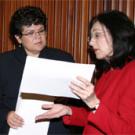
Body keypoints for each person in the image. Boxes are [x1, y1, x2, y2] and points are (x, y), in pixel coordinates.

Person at [35, 10, 135, 134]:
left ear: (117, 35)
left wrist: (94, 103)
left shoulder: (132, 72)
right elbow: (95, 116)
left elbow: (128, 131)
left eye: (97, 35)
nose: (91, 42)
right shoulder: (108, 71)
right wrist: (68, 110)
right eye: (91, 37)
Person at [0, 6, 83, 135]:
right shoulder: (4, 62)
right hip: (17, 129)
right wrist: (6, 115)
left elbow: (78, 102)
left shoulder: (63, 59)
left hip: (55, 129)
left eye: (41, 31)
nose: (38, 37)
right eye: (30, 33)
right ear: (18, 38)